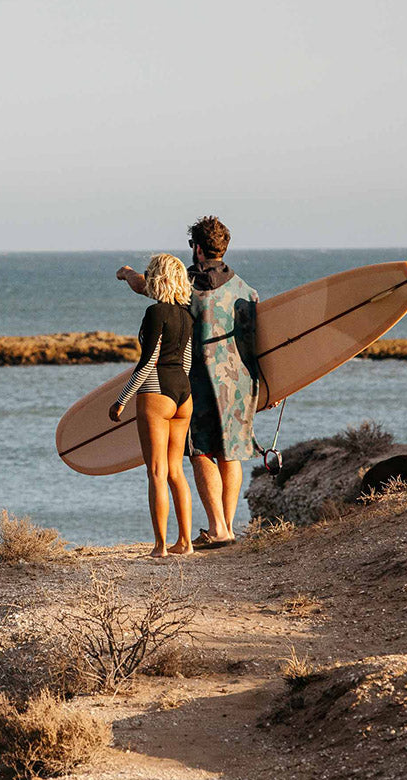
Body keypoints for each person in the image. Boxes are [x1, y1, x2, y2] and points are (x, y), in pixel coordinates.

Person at [116, 216, 259, 548]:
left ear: (196, 248)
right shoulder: (246, 291)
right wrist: (266, 386)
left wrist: (126, 273)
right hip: (238, 383)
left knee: (200, 452)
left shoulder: (187, 286)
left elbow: (149, 285)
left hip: (194, 381)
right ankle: (225, 526)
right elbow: (255, 345)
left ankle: (218, 527)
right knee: (230, 452)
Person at [109, 253, 194, 557]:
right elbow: (186, 361)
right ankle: (185, 542)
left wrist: (121, 400)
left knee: (156, 471)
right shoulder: (186, 315)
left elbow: (147, 364)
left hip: (156, 391)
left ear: (156, 278)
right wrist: (180, 388)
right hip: (183, 394)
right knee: (176, 471)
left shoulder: (155, 313)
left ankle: (160, 546)